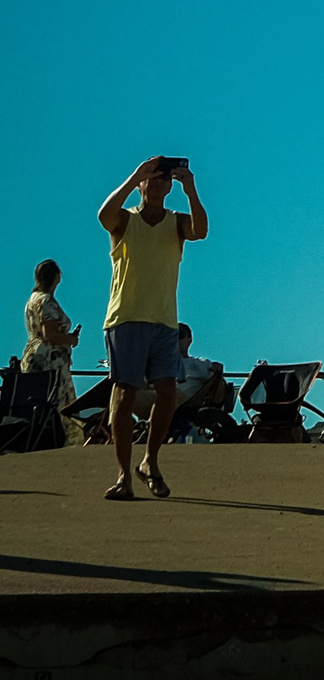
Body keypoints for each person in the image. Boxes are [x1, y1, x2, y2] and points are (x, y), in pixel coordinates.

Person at [97, 156, 207, 501]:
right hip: (126, 317)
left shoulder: (176, 223)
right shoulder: (125, 220)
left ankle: (150, 462)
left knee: (167, 393)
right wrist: (134, 176)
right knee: (124, 394)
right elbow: (103, 216)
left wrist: (191, 189)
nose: (159, 183)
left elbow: (201, 231)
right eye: (153, 178)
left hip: (163, 320)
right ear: (143, 183)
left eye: (164, 179)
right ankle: (122, 475)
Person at [22, 259, 79, 425]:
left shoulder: (32, 300)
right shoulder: (46, 301)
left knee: (38, 401)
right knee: (58, 403)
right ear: (55, 277)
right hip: (51, 360)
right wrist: (71, 339)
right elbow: (50, 334)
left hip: (34, 354)